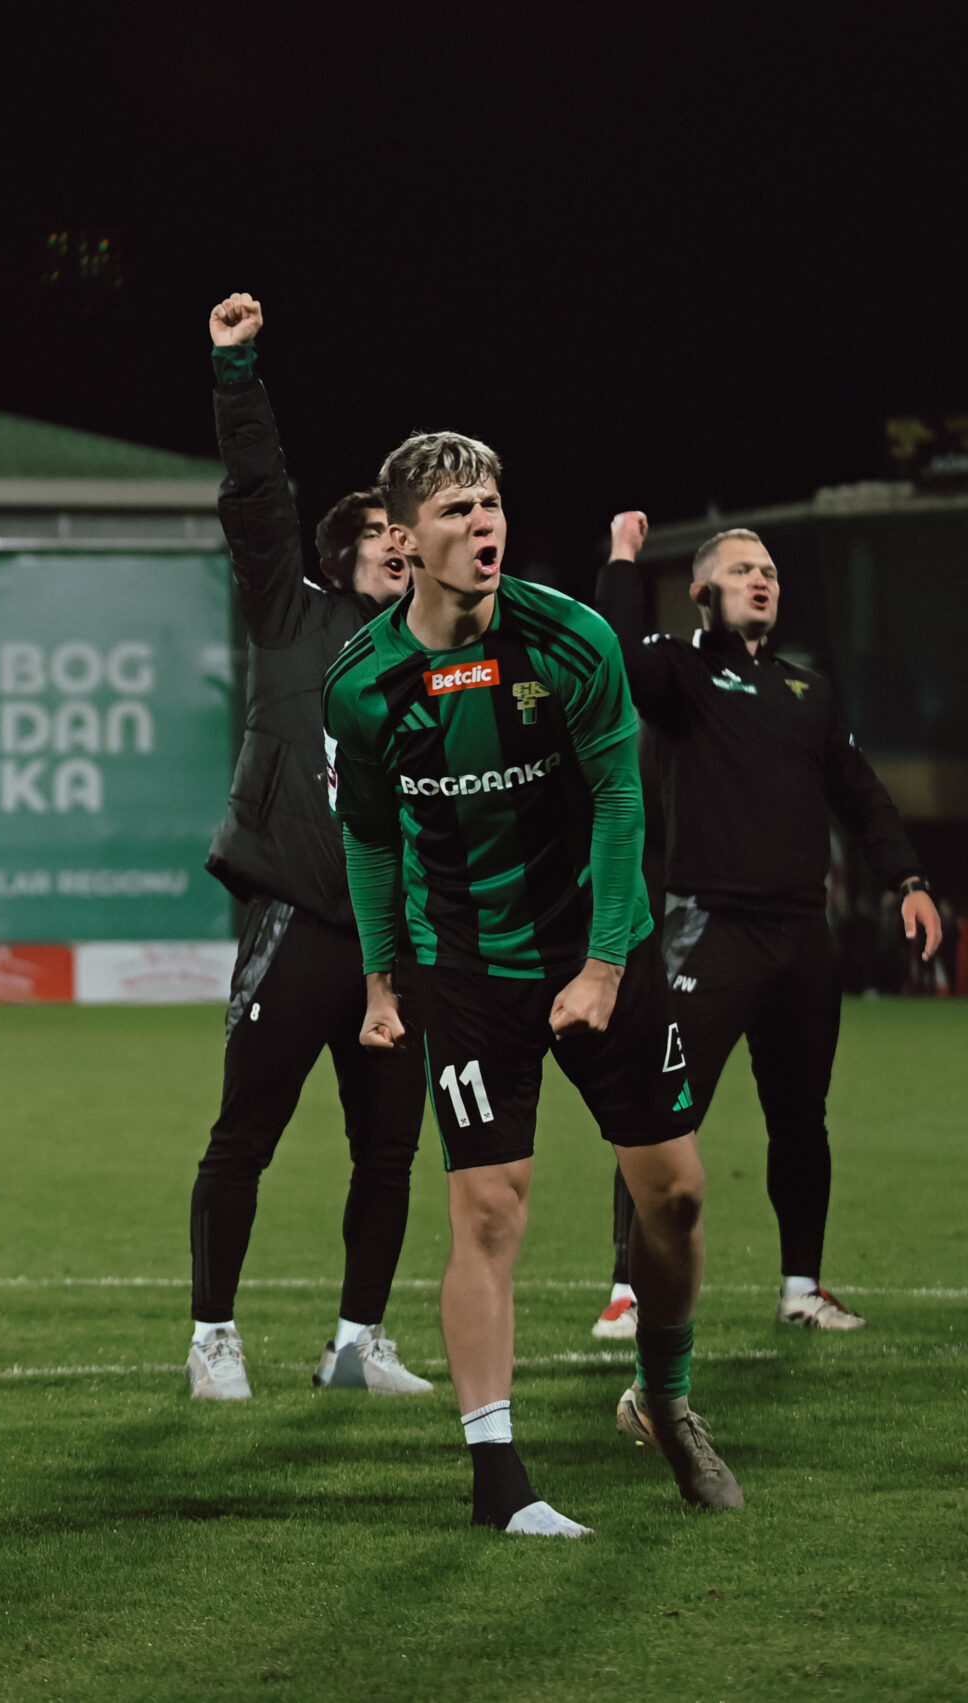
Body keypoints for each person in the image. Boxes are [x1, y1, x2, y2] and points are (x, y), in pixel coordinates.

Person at [323, 430, 741, 1537]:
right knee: (488, 1208)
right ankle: (497, 1478)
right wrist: (379, 980)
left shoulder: (570, 637)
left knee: (676, 1196)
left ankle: (662, 1394)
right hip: (465, 967)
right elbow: (370, 835)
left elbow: (617, 798)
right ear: (403, 541)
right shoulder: (361, 683)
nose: (483, 524)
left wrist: (602, 966)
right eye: (456, 510)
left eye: (490, 504)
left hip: (601, 946)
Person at [588, 514, 940, 1339]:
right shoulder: (678, 672)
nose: (762, 579)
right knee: (660, 1111)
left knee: (802, 1117)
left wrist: (909, 881)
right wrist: (622, 559)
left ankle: (801, 1288)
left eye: (770, 571)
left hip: (802, 937)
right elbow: (614, 655)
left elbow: (861, 795)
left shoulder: (807, 691)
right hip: (710, 931)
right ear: (702, 592)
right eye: (743, 569)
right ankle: (628, 1290)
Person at [185, 294, 431, 1400]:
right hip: (294, 916)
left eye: (407, 534)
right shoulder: (293, 616)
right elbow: (258, 497)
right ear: (341, 555)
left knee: (389, 1149)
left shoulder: (440, 663)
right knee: (245, 1135)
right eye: (381, 532)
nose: (398, 545)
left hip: (397, 940)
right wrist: (236, 373)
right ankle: (212, 1338)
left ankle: (356, 1343)